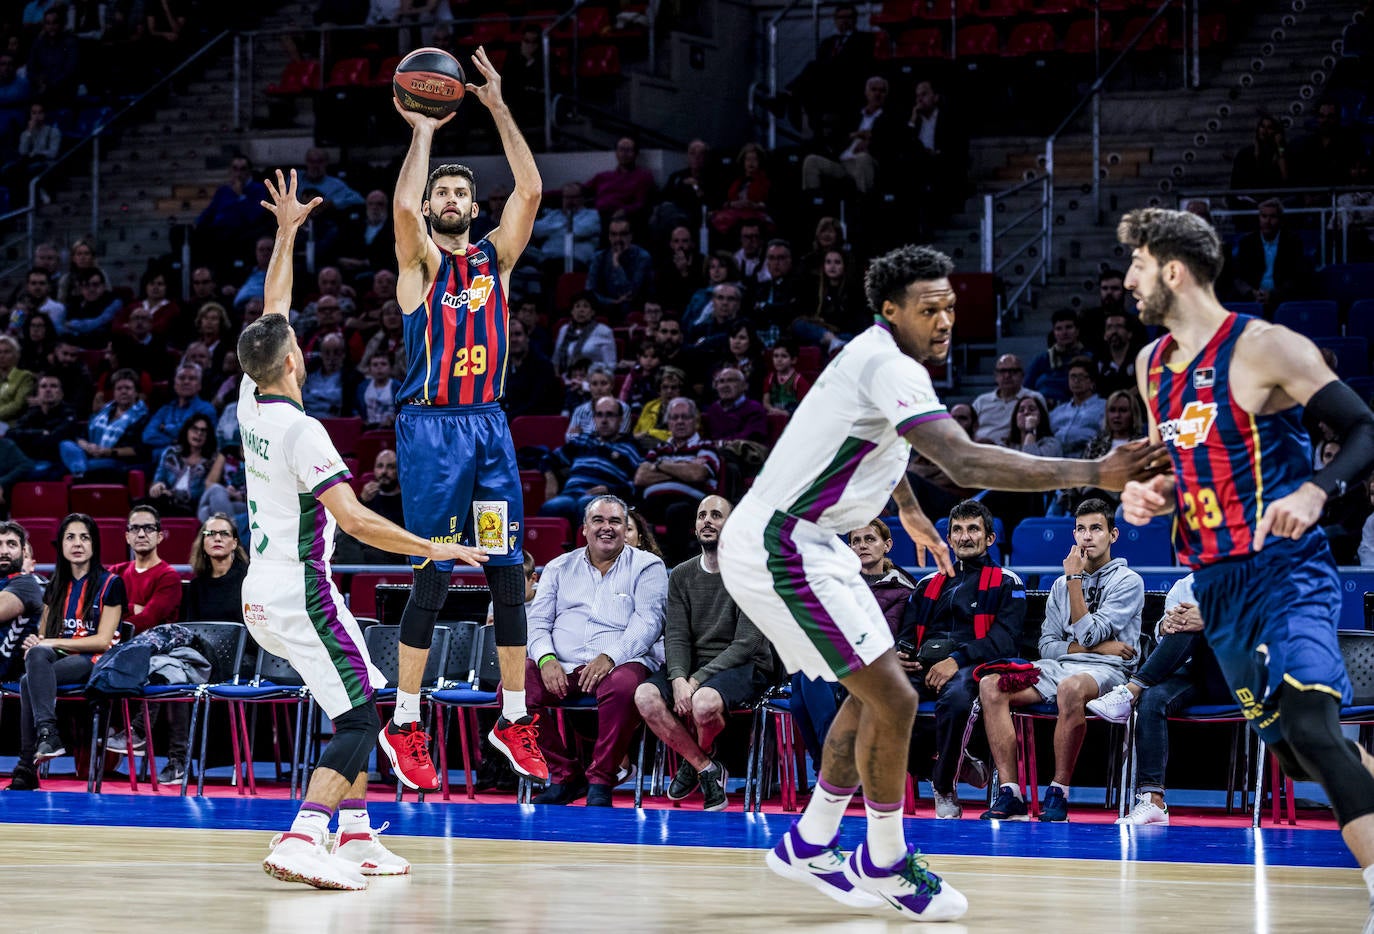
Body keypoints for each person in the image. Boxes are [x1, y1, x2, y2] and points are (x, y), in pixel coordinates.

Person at [719, 244, 1164, 922]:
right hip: (780, 545)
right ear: (890, 309)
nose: (945, 320)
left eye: (951, 307)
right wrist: (1095, 472)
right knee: (894, 697)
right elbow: (961, 462)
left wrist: (905, 507)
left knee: (872, 695)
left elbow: (875, 441)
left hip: (812, 542)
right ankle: (883, 860)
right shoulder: (888, 364)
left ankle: (809, 842)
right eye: (929, 309)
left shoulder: (874, 355)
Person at [1118, 207, 1374, 922]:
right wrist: (1151, 494)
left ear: (1173, 271)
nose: (1128, 281)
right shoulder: (1151, 366)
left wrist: (1317, 490)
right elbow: (1179, 470)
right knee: (1295, 753)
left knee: (1315, 726)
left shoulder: (1265, 347)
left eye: (1137, 265)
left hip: (1287, 570)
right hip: (1217, 587)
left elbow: (1363, 426)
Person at [242, 169, 488, 889]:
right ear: (294, 360)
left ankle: (352, 836)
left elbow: (273, 308)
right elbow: (352, 518)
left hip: (262, 594)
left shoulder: (249, 402)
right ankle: (303, 836)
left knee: (351, 695)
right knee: (359, 717)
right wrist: (433, 547)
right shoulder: (304, 431)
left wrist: (286, 234)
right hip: (302, 591)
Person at [387, 48, 549, 792]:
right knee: (436, 572)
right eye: (441, 192)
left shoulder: (494, 262)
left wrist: (497, 106)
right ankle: (405, 721)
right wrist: (422, 132)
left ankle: (513, 717)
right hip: (432, 433)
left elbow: (532, 189)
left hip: (488, 427)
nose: (451, 198)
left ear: (473, 208)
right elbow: (400, 211)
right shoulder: (418, 266)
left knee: (507, 570)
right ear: (431, 207)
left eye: (461, 191)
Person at [977, 499, 1143, 822]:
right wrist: (1100, 648)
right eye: (1081, 529)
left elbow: (1090, 633)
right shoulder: (1058, 585)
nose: (1087, 536)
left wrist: (1075, 581)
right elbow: (1046, 646)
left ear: (1113, 535)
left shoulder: (1128, 581)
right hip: (1063, 666)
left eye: (1096, 529)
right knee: (991, 685)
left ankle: (1058, 792)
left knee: (1070, 687)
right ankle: (1010, 793)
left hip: (1110, 672)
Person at [524, 494, 667, 806]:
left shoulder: (647, 566)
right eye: (598, 520)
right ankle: (565, 774)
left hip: (620, 664)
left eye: (615, 521)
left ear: (626, 528)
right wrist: (545, 658)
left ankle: (601, 779)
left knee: (626, 687)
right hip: (562, 664)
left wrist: (611, 656)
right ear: (584, 528)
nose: (607, 527)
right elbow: (537, 621)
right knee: (514, 687)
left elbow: (649, 622)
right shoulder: (559, 567)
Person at [634, 495, 770, 811]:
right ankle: (705, 766)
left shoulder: (752, 575)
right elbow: (676, 635)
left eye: (716, 515)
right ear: (695, 528)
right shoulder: (681, 574)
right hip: (694, 664)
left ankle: (693, 759)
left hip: (744, 664)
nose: (707, 520)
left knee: (704, 703)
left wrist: (694, 681)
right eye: (701, 515)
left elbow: (747, 643)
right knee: (645, 696)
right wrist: (678, 678)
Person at [897, 500, 1023, 820]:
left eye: (973, 529)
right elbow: (907, 636)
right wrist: (900, 656)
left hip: (973, 666)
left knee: (955, 701)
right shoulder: (926, 584)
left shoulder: (1008, 581)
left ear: (990, 538)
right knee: (880, 695)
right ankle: (945, 762)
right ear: (949, 539)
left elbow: (1005, 641)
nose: (965, 537)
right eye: (958, 530)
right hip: (924, 666)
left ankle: (943, 787)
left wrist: (956, 659)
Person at [1086, 573, 1231, 825]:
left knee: (1196, 623)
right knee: (1152, 698)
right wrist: (1164, 626)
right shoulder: (1183, 586)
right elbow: (1168, 642)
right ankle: (1153, 801)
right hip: (1194, 672)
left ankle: (1130, 690)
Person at [5, 513, 125, 792]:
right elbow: (44, 636)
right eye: (70, 537)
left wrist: (48, 643)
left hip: (98, 661)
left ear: (94, 544)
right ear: (61, 544)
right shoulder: (55, 585)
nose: (77, 543)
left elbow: (103, 641)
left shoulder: (111, 583)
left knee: (29, 679)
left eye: (84, 537)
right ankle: (47, 736)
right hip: (61, 658)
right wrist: (36, 642)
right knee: (34, 661)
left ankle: (28, 764)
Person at [540, 396, 642, 524]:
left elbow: (638, 484)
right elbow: (547, 459)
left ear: (620, 419)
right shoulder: (581, 441)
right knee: (551, 507)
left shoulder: (630, 447)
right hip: (570, 495)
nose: (604, 420)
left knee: (588, 505)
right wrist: (550, 480)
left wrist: (611, 490)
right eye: (599, 415)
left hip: (604, 499)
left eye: (610, 415)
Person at [333, 449, 406, 565]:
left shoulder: (405, 502)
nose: (384, 472)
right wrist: (362, 501)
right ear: (374, 470)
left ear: (399, 471)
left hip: (392, 556)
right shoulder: (367, 498)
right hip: (362, 555)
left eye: (390, 467)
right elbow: (347, 526)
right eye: (380, 466)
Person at [146, 413, 224, 519]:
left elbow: (207, 492)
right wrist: (158, 486)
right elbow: (158, 479)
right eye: (194, 429)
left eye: (203, 431)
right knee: (145, 505)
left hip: (193, 507)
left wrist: (174, 494)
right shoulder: (171, 453)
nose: (199, 434)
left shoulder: (213, 460)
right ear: (186, 431)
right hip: (165, 501)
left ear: (208, 435)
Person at [0, 520, 47, 681]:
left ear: (23, 551)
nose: (4, 551)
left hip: (10, 678)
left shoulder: (26, 584)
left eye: (11, 544)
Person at [183, 512, 249, 625]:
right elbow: (191, 628)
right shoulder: (196, 587)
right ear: (203, 543)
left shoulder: (248, 578)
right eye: (210, 534)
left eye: (224, 534)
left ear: (234, 543)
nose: (217, 538)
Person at [972, 354, 1044, 446]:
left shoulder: (1034, 398)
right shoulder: (981, 401)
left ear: (1022, 375)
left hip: (1016, 449)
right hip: (980, 448)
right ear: (995, 375)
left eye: (1013, 371)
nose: (1007, 376)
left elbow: (1043, 431)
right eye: (1002, 371)